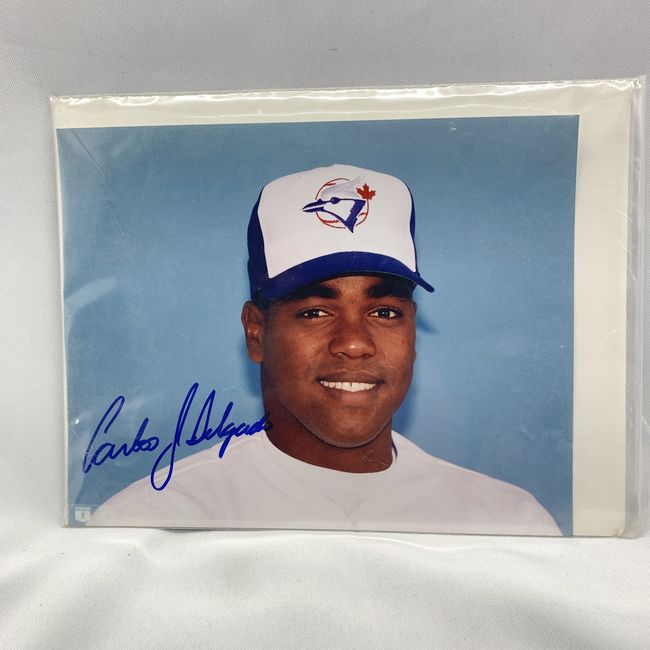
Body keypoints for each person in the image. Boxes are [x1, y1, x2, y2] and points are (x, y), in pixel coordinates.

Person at [89, 164, 560, 535]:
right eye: (315, 311)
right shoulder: (154, 524)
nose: (354, 342)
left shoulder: (507, 524)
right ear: (256, 333)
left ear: (413, 333)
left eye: (385, 312)